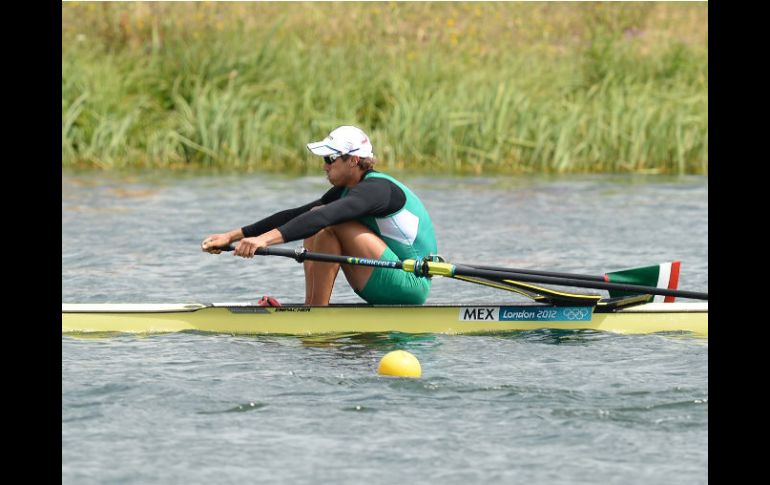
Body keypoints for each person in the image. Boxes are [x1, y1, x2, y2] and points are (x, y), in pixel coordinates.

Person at [201, 125, 438, 306]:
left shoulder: (378, 190)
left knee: (329, 224)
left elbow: (323, 217)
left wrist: (263, 241)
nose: (325, 166)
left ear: (354, 160)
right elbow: (297, 215)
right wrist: (231, 236)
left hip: (410, 283)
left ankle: (316, 313)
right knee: (315, 219)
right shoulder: (348, 190)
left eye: (330, 159)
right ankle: (312, 308)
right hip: (384, 275)